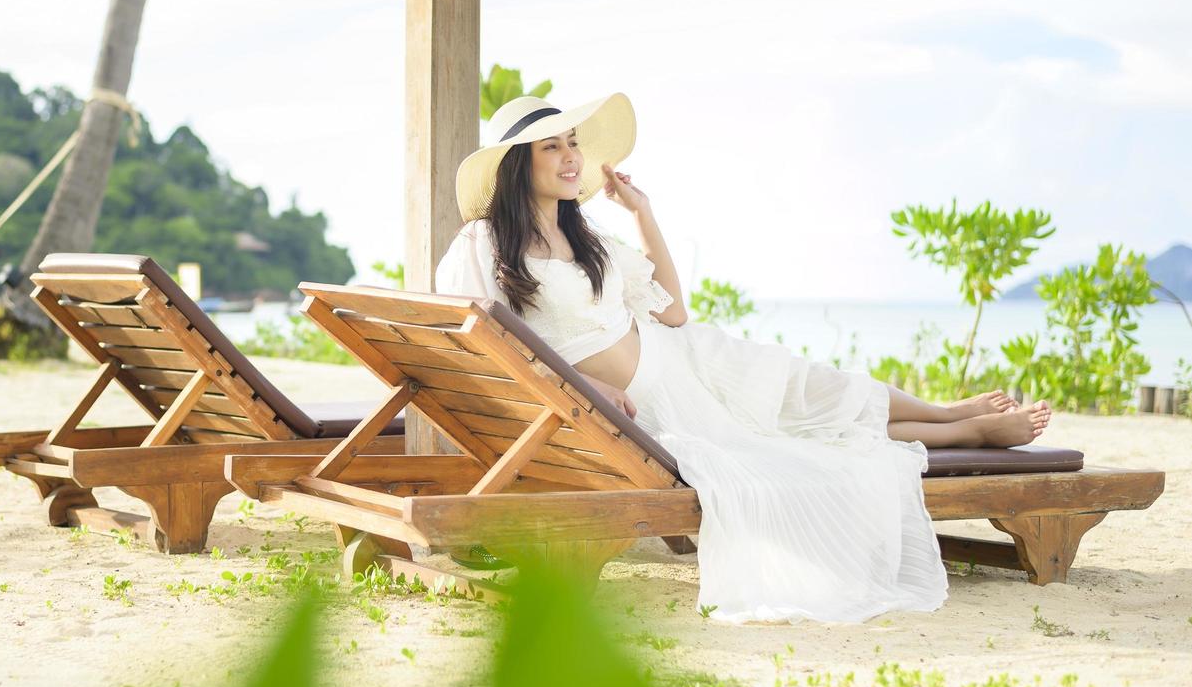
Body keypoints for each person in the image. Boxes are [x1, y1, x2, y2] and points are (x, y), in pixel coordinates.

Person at [434, 92, 1053, 624]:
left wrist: (643, 213)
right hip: (645, 403)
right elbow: (492, 344)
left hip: (686, 358)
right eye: (554, 148)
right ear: (520, 165)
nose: (573, 158)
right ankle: (966, 428)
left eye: (573, 143)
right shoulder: (484, 244)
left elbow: (673, 310)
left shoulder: (588, 238)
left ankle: (949, 415)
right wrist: (581, 393)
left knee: (812, 393)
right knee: (795, 443)